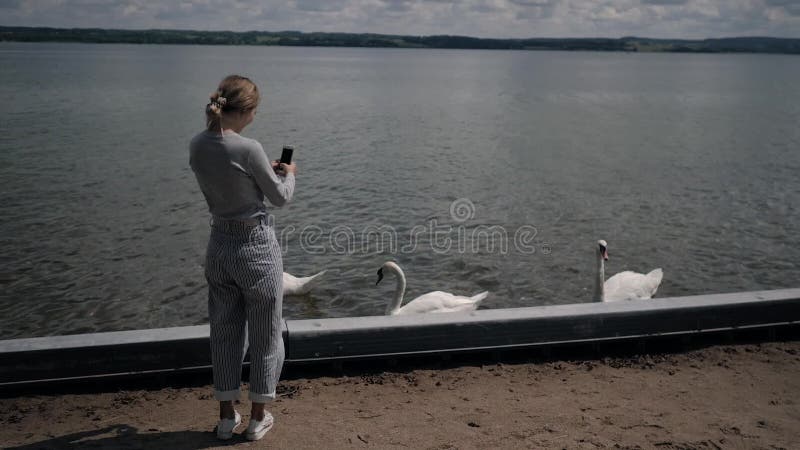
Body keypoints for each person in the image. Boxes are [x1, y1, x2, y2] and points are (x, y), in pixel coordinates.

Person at [189, 74, 296, 441]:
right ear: (247, 110)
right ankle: (257, 419)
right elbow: (279, 197)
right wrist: (289, 175)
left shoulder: (197, 145)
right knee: (266, 335)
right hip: (255, 250)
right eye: (255, 110)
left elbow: (227, 181)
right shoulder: (248, 148)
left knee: (224, 333)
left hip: (218, 246)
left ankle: (224, 418)